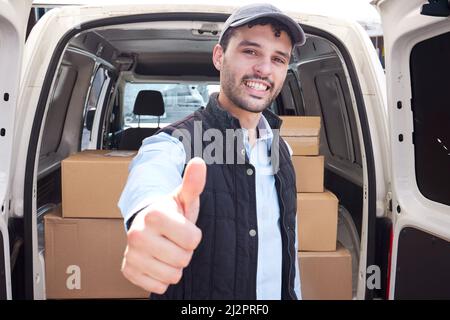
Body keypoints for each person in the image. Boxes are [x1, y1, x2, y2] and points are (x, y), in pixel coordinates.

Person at [118, 3, 306, 300]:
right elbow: (150, 177)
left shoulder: (282, 149)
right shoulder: (174, 142)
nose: (265, 68)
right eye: (251, 51)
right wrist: (149, 214)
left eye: (278, 59)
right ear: (219, 56)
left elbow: (287, 245)